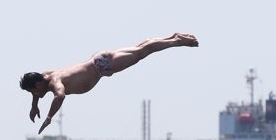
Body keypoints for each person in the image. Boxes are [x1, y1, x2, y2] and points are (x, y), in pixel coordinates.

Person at [20, 33, 198, 133]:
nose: (33, 95)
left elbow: (60, 96)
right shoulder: (45, 75)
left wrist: (49, 118)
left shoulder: (55, 82)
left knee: (142, 52)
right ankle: (173, 37)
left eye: (32, 91)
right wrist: (34, 105)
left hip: (102, 65)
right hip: (98, 60)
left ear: (38, 85)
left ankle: (177, 42)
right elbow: (37, 91)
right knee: (141, 48)